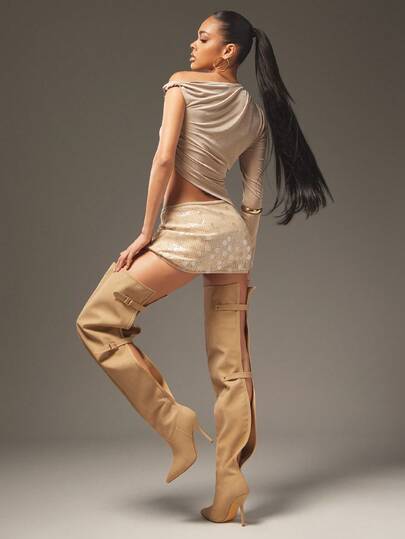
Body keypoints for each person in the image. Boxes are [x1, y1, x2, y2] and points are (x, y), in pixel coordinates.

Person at [76, 10, 333, 526]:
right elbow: (253, 196)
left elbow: (163, 159)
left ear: (228, 51)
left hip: (187, 231)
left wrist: (145, 232)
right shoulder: (256, 115)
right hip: (230, 236)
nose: (192, 45)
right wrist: (245, 256)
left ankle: (173, 420)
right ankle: (229, 484)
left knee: (98, 322)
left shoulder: (182, 83)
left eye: (202, 37)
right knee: (232, 369)